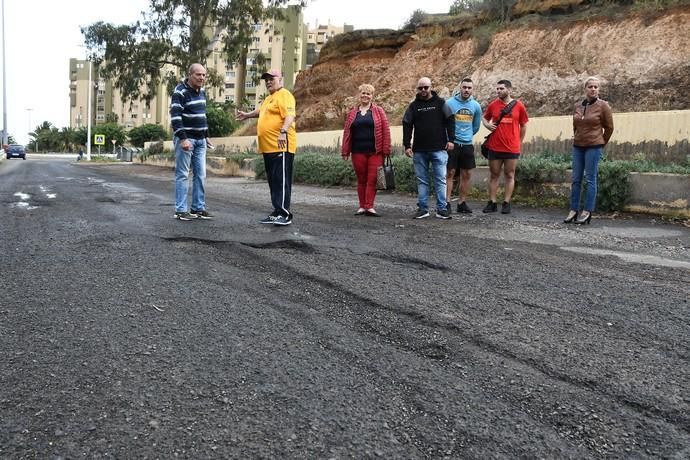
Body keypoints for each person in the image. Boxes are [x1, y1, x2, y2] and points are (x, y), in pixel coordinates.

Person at [237, 69, 297, 226]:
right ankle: (277, 211)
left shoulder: (285, 95)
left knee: (281, 181)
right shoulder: (270, 98)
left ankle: (285, 213)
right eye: (266, 80)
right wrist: (247, 115)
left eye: (272, 78)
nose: (269, 82)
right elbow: (261, 111)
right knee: (274, 181)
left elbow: (290, 115)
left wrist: (283, 131)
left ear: (280, 80)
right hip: (268, 148)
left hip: (281, 147)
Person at [402, 77, 455, 220]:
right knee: (422, 180)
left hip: (439, 149)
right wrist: (407, 145)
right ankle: (423, 209)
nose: (423, 90)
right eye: (420, 88)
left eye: (426, 87)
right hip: (419, 150)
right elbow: (406, 123)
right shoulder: (413, 106)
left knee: (440, 180)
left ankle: (442, 209)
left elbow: (451, 119)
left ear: (431, 87)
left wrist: (451, 140)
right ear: (417, 89)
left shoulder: (441, 103)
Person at [564, 76, 614, 225]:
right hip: (578, 146)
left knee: (590, 179)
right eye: (590, 86)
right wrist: (577, 137)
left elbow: (609, 127)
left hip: (593, 146)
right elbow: (575, 125)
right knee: (576, 179)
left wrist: (601, 142)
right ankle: (573, 210)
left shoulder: (603, 106)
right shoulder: (578, 106)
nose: (593, 89)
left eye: (596, 87)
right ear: (585, 89)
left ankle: (587, 210)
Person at [170, 63, 213, 221]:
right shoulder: (180, 92)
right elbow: (175, 117)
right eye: (198, 74)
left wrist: (206, 135)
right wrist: (183, 138)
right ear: (190, 75)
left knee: (200, 175)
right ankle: (180, 210)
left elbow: (203, 115)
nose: (202, 78)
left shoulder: (202, 92)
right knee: (182, 175)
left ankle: (198, 208)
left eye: (204, 75)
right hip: (187, 139)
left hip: (200, 140)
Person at [341, 84, 392, 217]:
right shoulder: (352, 113)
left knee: (373, 179)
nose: (365, 95)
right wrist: (345, 151)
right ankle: (362, 206)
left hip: (376, 152)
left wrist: (386, 149)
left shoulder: (379, 111)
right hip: (357, 151)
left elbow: (386, 130)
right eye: (363, 93)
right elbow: (347, 132)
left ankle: (369, 206)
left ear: (372, 96)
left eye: (368, 94)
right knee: (361, 179)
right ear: (359, 94)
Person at [481, 79, 529, 214]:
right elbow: (484, 118)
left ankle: (507, 202)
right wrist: (486, 124)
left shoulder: (519, 106)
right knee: (494, 175)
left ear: (509, 90)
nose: (498, 91)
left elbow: (524, 124)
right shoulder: (493, 105)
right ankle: (492, 202)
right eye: (497, 89)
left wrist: (519, 141)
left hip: (511, 147)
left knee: (510, 174)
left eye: (501, 89)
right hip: (495, 146)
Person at [445, 78, 482, 214]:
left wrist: (467, 136)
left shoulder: (476, 106)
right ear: (460, 88)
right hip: (452, 144)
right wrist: (449, 138)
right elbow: (444, 123)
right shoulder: (449, 104)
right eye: (464, 87)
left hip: (467, 145)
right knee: (450, 173)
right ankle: (446, 203)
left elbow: (476, 126)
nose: (466, 90)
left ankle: (462, 203)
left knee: (466, 174)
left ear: (472, 90)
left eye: (469, 88)